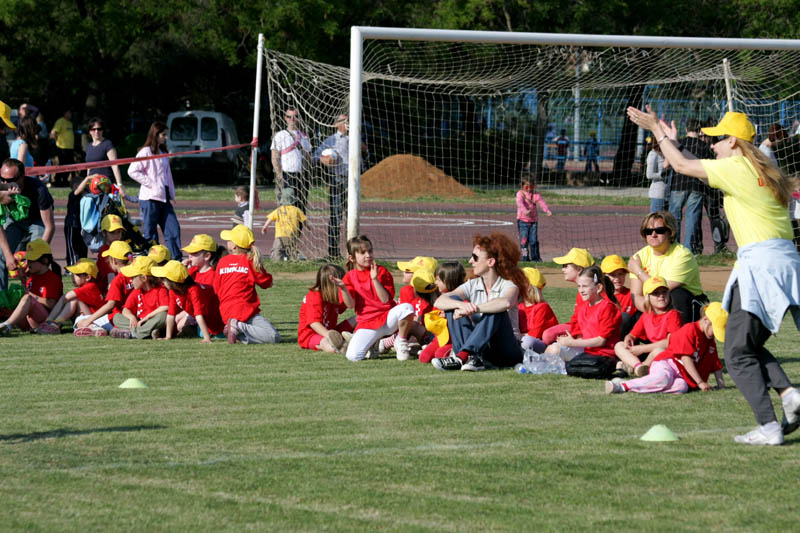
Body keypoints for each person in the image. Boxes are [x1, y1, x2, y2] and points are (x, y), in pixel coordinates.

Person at [627, 105, 800, 445]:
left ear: (734, 142)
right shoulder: (764, 166)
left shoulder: (736, 166)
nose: (712, 145)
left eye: (718, 139)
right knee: (744, 346)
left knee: (736, 354)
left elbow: (679, 166)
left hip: (761, 265)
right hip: (785, 262)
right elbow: (755, 152)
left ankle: (769, 427)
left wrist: (656, 130)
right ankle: (789, 396)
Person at [433, 232, 529, 371]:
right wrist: (461, 305)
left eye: (475, 257)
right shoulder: (473, 284)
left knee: (496, 310)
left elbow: (505, 303)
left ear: (490, 262)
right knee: (452, 302)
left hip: (506, 351)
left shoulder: (509, 286)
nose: (470, 261)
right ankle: (470, 357)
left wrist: (475, 308)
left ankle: (462, 356)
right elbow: (440, 301)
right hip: (482, 349)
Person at [607, 302, 725, 395]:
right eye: (714, 329)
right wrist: (700, 382)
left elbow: (715, 363)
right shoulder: (690, 330)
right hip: (667, 363)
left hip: (682, 375)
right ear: (705, 320)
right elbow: (686, 359)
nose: (715, 334)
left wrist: (721, 385)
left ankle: (641, 385)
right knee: (663, 378)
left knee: (681, 387)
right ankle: (622, 386)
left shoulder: (709, 339)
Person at [341, 235, 414, 361]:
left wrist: (374, 279)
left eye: (370, 251)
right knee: (353, 356)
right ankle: (374, 343)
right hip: (367, 322)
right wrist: (343, 288)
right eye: (363, 253)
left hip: (388, 319)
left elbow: (385, 300)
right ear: (352, 258)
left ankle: (400, 341)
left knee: (407, 308)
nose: (368, 255)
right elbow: (350, 305)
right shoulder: (349, 277)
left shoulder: (382, 271)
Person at [627, 210, 706, 324]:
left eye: (659, 230)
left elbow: (661, 290)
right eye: (648, 231)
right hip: (652, 307)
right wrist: (655, 313)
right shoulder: (638, 257)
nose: (653, 235)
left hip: (684, 307)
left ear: (670, 232)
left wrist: (639, 272)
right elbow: (636, 296)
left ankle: (679, 338)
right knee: (627, 318)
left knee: (677, 295)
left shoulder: (683, 255)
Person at [544, 265, 621, 379]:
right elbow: (581, 335)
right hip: (585, 350)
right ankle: (554, 367)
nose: (581, 290)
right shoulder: (583, 308)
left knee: (557, 352)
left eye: (585, 286)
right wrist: (569, 340)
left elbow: (601, 341)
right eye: (579, 286)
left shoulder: (607, 307)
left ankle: (565, 368)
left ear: (598, 287)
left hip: (602, 354)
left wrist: (572, 343)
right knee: (553, 349)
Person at [313, 113, 368, 258]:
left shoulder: (355, 138)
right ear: (336, 124)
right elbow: (316, 156)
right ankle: (333, 252)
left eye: (349, 120)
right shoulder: (330, 140)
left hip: (353, 182)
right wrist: (325, 160)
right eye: (345, 121)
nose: (348, 123)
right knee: (336, 217)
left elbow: (365, 153)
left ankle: (352, 252)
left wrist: (363, 147)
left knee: (352, 217)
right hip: (337, 180)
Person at [215, 224, 280, 344]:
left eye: (229, 239)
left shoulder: (222, 262)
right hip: (245, 310)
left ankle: (235, 330)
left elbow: (216, 288)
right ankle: (238, 327)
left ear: (234, 246)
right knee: (273, 336)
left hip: (225, 312)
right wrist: (270, 280)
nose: (227, 241)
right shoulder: (249, 261)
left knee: (260, 333)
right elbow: (265, 282)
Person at [128, 121, 182, 261]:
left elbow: (167, 174)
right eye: (163, 134)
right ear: (155, 135)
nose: (166, 137)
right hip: (150, 198)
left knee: (173, 228)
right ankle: (154, 261)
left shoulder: (163, 152)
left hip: (164, 197)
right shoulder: (145, 152)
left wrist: (171, 192)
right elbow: (132, 171)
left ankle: (177, 259)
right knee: (151, 233)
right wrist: (151, 184)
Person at [0, 158, 56, 290]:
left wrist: (39, 255)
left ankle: (36, 296)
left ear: (22, 177)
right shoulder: (1, 187)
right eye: (2, 179)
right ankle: (1, 300)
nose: (5, 183)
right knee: (1, 256)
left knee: (36, 260)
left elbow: (49, 227)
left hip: (38, 220)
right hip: (14, 220)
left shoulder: (39, 190)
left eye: (10, 180)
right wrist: (8, 257)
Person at [613, 276, 683, 378]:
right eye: (656, 293)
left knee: (659, 351)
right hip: (650, 352)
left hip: (668, 353)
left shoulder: (672, 314)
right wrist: (629, 338)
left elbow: (670, 342)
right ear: (647, 297)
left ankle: (639, 366)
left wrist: (643, 349)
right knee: (619, 345)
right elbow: (632, 334)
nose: (661, 296)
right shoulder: (647, 315)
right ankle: (638, 367)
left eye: (664, 292)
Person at [668, 118, 714, 254]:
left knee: (674, 216)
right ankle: (688, 250)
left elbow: (670, 161)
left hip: (679, 183)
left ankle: (673, 247)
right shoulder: (704, 146)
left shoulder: (679, 143)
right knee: (692, 218)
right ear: (699, 131)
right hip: (697, 185)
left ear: (686, 129)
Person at [0, 239, 62, 336]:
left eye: (32, 260)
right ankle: (4, 325)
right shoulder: (32, 277)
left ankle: (7, 325)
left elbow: (51, 304)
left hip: (45, 322)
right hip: (30, 321)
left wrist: (29, 295)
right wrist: (23, 282)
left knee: (27, 298)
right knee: (5, 302)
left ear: (45, 261)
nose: (28, 263)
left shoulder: (53, 278)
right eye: (28, 260)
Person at [152, 260, 224, 343]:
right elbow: (171, 315)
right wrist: (168, 336)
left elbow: (199, 315)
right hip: (205, 322)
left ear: (173, 282)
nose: (162, 282)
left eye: (164, 280)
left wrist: (206, 338)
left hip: (218, 322)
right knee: (192, 331)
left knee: (217, 335)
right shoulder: (174, 291)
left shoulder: (194, 290)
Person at [73, 240, 134, 336]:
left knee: (80, 320)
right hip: (135, 315)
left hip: (118, 317)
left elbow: (110, 305)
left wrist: (89, 320)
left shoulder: (118, 280)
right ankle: (108, 330)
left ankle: (95, 328)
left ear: (114, 260)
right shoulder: (137, 275)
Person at [541, 247, 595, 345]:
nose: (563, 269)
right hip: (578, 328)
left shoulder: (591, 293)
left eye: (566, 266)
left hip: (586, 335)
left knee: (549, 336)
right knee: (547, 335)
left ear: (579, 269)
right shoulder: (582, 292)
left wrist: (575, 339)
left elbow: (589, 323)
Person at [36, 259, 104, 335]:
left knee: (74, 300)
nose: (72, 277)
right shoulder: (87, 286)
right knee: (73, 300)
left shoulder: (90, 286)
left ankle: (55, 324)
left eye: (76, 274)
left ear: (88, 277)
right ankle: (52, 324)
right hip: (89, 317)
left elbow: (64, 298)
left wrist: (50, 320)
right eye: (72, 274)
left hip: (96, 319)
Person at [297, 263, 355, 353]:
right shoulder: (314, 296)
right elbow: (314, 323)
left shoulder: (334, 297)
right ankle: (339, 348)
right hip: (311, 335)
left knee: (358, 318)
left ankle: (364, 340)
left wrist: (345, 290)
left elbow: (349, 305)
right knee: (325, 342)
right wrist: (329, 335)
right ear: (332, 284)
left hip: (333, 332)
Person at [111, 256, 169, 340]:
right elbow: (125, 310)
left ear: (144, 278)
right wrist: (132, 317)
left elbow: (166, 306)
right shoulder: (137, 291)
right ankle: (145, 332)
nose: (131, 280)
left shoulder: (160, 289)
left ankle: (134, 333)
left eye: (133, 277)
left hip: (152, 321)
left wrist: (147, 317)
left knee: (164, 316)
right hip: (140, 323)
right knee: (117, 317)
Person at [421, 262, 466, 367]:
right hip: (439, 338)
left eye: (439, 280)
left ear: (449, 281)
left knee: (439, 354)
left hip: (453, 339)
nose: (436, 283)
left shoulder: (461, 297)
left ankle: (453, 351)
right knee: (424, 357)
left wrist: (447, 315)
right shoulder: (440, 298)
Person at [271, 108, 311, 215]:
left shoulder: (304, 136)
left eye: (295, 116)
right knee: (287, 207)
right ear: (285, 118)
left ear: (299, 119)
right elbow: (274, 157)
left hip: (301, 176)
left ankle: (297, 231)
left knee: (300, 208)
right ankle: (286, 231)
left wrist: (306, 172)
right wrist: (280, 175)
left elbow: (308, 156)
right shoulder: (280, 135)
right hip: (286, 175)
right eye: (289, 116)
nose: (292, 119)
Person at [518, 267, 558, 354]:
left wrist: (519, 336)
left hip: (542, 345)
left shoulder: (542, 307)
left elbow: (534, 335)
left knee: (527, 341)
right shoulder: (519, 306)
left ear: (528, 287)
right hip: (522, 341)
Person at [260, 188, 306, 261]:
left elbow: (270, 219)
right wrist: (308, 226)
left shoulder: (279, 210)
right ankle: (294, 259)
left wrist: (265, 227)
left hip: (280, 235)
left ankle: (276, 259)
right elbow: (304, 220)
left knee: (277, 249)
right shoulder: (297, 210)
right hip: (292, 234)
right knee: (292, 249)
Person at [84, 118, 125, 196]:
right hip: (92, 186)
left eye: (99, 129)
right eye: (93, 129)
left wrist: (119, 184)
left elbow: (115, 166)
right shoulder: (88, 147)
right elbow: (88, 168)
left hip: (106, 185)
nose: (97, 131)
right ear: (90, 131)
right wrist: (87, 182)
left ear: (102, 130)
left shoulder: (107, 144)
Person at [516, 175, 551, 262]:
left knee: (533, 241)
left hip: (533, 222)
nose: (529, 189)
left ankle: (535, 258)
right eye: (527, 186)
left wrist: (547, 210)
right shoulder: (520, 194)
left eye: (531, 186)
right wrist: (525, 211)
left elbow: (542, 202)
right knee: (524, 241)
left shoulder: (535, 195)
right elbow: (520, 203)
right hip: (522, 221)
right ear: (522, 186)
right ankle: (525, 257)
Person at [50, 109, 75, 186]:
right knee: (62, 165)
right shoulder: (60, 121)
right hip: (62, 148)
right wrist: (55, 142)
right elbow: (53, 133)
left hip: (70, 148)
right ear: (64, 113)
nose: (70, 114)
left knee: (69, 165)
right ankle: (58, 181)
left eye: (71, 113)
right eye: (69, 112)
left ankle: (65, 181)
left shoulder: (70, 123)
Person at [645, 138, 667, 212]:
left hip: (666, 192)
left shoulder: (664, 154)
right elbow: (649, 175)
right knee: (656, 220)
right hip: (658, 193)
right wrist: (662, 175)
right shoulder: (653, 154)